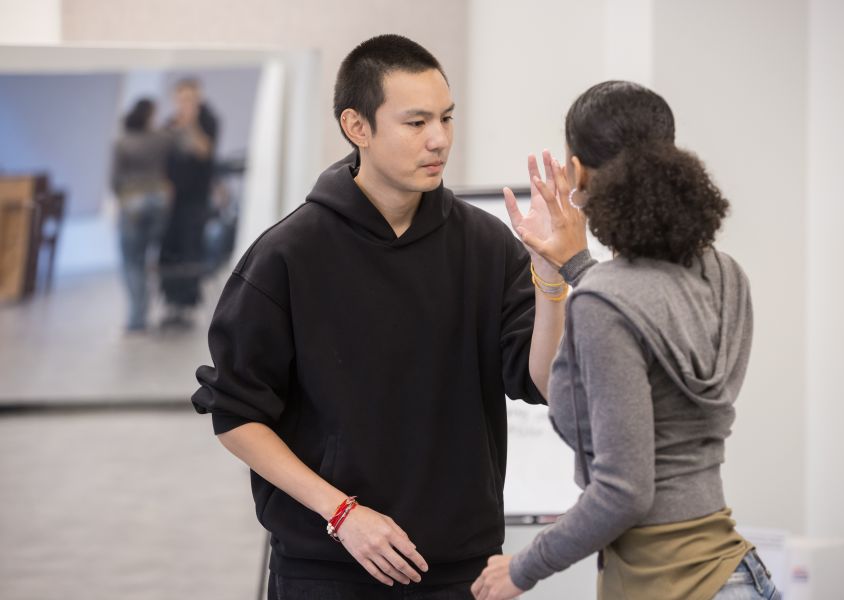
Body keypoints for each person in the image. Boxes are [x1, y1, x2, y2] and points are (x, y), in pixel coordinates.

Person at [191, 35, 586, 599]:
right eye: (416, 122)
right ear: (357, 126)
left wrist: (550, 279)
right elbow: (236, 415)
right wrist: (342, 513)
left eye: (446, 118)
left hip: (461, 568)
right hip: (326, 568)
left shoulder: (486, 245)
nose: (439, 139)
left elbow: (545, 382)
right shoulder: (288, 254)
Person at [472, 81, 780, 600]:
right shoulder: (726, 276)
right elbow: (627, 336)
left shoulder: (605, 301)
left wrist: (522, 568)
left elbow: (624, 492)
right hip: (736, 574)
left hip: (666, 583)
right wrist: (564, 270)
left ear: (577, 173)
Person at [158, 77, 218, 329]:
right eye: (181, 99)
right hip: (174, 200)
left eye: (189, 99)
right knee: (169, 250)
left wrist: (191, 124)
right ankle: (171, 301)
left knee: (191, 248)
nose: (184, 104)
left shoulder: (208, 120)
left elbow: (205, 151)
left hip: (196, 199)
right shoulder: (169, 124)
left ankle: (189, 303)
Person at [110, 97, 171, 332]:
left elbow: (115, 181)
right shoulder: (161, 139)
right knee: (149, 260)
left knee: (132, 262)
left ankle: (137, 318)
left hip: (133, 204)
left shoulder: (123, 142)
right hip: (159, 202)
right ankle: (147, 311)